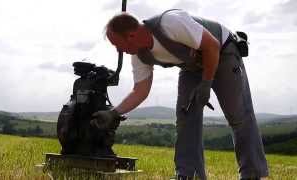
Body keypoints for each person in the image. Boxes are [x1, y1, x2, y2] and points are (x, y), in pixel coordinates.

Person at [90, 9, 268, 180]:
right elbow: (140, 91)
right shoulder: (139, 55)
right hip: (192, 66)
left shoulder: (170, 23)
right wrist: (114, 112)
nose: (117, 50)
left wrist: (206, 84)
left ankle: (252, 174)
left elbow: (211, 45)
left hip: (221, 51)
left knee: (238, 115)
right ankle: (188, 174)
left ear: (130, 36)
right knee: (186, 117)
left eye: (116, 45)